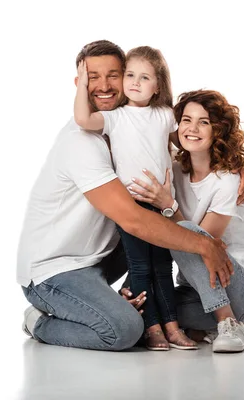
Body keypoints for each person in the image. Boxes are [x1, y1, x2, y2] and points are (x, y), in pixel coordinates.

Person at [17, 40, 244, 351]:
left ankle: (158, 316)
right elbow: (133, 219)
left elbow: (190, 142)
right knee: (124, 330)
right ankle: (40, 321)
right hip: (55, 269)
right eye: (93, 77)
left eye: (114, 74)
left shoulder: (136, 126)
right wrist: (204, 245)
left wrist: (242, 162)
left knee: (169, 268)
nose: (104, 85)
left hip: (101, 261)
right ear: (79, 82)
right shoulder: (82, 142)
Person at [73, 46, 196, 351]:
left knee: (162, 268)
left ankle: (172, 326)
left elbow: (187, 144)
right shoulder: (115, 117)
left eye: (144, 78)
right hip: (132, 205)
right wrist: (82, 83)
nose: (135, 82)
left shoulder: (166, 116)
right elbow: (83, 120)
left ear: (158, 87)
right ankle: (151, 327)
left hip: (162, 203)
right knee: (140, 269)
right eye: (130, 75)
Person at [128, 89, 244, 352]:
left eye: (204, 122)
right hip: (197, 293)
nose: (193, 128)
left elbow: (200, 242)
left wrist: (169, 205)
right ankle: (216, 326)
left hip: (241, 288)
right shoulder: (174, 169)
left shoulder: (229, 180)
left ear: (218, 130)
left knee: (189, 232)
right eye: (186, 120)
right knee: (141, 311)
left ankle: (228, 322)